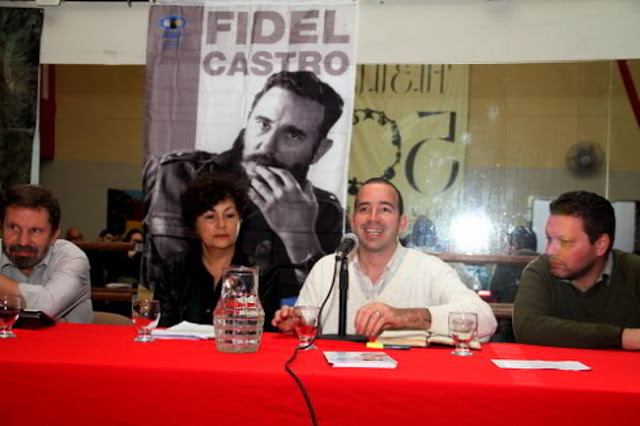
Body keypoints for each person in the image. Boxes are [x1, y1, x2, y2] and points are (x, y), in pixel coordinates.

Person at [143, 70, 345, 301]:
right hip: (184, 318)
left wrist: (299, 237)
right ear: (248, 120)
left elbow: (327, 303)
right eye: (263, 123)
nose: (266, 146)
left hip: (269, 322)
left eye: (292, 135)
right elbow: (167, 280)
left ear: (319, 150)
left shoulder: (326, 211)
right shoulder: (178, 174)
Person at [271, 178, 497, 339]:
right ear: (353, 221)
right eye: (364, 209)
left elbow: (486, 319)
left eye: (385, 209)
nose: (373, 218)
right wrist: (294, 326)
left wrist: (404, 317)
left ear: (402, 223)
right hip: (337, 386)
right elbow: (304, 329)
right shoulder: (327, 268)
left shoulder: (429, 269)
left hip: (406, 387)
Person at [513, 191, 640, 350]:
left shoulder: (634, 271)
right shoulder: (541, 270)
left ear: (600, 245)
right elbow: (527, 328)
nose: (550, 251)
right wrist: (621, 337)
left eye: (564, 242)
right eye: (549, 238)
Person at [154, 169, 278, 330]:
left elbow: (266, 333)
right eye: (210, 217)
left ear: (240, 221)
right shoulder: (173, 269)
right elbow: (162, 329)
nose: (221, 225)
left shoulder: (262, 273)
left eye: (229, 215)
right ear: (193, 225)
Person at [0, 184, 93, 323]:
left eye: (35, 230)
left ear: (54, 234)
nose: (23, 242)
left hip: (67, 338)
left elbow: (45, 308)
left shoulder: (72, 258)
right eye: (14, 228)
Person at [489, 225, 538, 303]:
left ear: (515, 245)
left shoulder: (504, 264)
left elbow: (494, 292)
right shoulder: (544, 264)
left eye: (508, 244)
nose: (507, 249)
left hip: (507, 309)